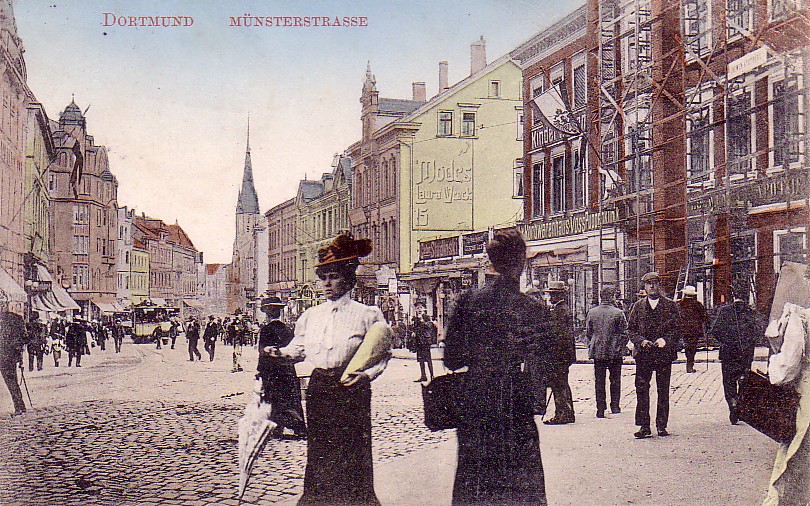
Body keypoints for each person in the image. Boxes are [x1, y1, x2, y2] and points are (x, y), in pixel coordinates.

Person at [273, 233, 391, 505]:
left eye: (333, 277)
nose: (327, 283)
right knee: (320, 450)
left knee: (353, 451)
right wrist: (279, 353)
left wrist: (366, 375)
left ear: (347, 280)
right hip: (320, 388)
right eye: (323, 277)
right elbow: (298, 349)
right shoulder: (311, 316)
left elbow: (382, 355)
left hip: (351, 388)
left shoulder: (367, 315)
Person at [443, 228, 550, 504]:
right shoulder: (533, 309)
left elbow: (451, 359)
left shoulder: (469, 302)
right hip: (516, 403)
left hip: (476, 402)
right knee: (520, 483)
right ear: (522, 263)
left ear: (492, 262)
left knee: (474, 480)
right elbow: (544, 363)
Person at [764, 302, 810, 505]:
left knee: (796, 456)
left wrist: (774, 357)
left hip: (807, 398)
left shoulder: (800, 318)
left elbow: (787, 368)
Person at [627, 271, 679, 438]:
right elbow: (631, 329)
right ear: (644, 287)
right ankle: (644, 426)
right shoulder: (638, 306)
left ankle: (661, 425)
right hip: (644, 355)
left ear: (659, 286)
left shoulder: (670, 306)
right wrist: (641, 341)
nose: (652, 286)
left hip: (663, 354)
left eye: (655, 283)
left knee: (663, 390)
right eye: (649, 284)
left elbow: (677, 329)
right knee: (642, 389)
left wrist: (665, 340)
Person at [709, 283, 764, 425]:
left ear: (733, 295)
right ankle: (740, 403)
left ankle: (733, 403)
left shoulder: (725, 311)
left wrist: (726, 342)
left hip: (728, 353)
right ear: (746, 295)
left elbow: (715, 330)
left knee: (728, 381)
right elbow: (759, 331)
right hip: (745, 353)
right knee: (744, 379)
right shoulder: (751, 312)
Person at [257, 296, 306, 438]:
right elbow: (293, 350)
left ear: (267, 313)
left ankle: (276, 427)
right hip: (287, 370)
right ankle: (299, 427)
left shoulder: (266, 330)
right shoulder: (287, 329)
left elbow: (262, 352)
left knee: (273, 398)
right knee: (291, 398)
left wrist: (260, 371)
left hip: (272, 371)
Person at [586, 286, 628, 418]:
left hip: (598, 351)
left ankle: (600, 408)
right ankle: (615, 406)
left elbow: (588, 332)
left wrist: (593, 342)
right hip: (614, 352)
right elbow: (625, 333)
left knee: (599, 380)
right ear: (612, 297)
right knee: (615, 380)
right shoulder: (618, 313)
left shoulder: (592, 312)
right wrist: (620, 346)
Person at [542, 280, 576, 425]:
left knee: (558, 384)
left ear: (559, 295)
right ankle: (568, 413)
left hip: (559, 354)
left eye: (553, 295)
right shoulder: (562, 309)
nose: (550, 297)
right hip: (563, 354)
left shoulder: (560, 311)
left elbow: (560, 335)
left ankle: (561, 414)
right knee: (562, 383)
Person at [0, 293, 27, 415]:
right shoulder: (17, 319)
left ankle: (19, 406)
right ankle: (20, 406)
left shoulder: (16, 319)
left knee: (11, 381)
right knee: (11, 382)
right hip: (9, 354)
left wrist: (17, 349)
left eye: (2, 303)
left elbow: (24, 337)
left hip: (7, 355)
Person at [679, 285, 707, 373]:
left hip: (684, 329)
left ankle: (689, 363)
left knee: (687, 346)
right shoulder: (697, 304)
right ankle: (690, 364)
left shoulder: (680, 304)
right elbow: (704, 317)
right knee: (693, 347)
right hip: (695, 330)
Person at [412, 308, 435, 382]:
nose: (419, 310)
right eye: (417, 308)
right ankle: (423, 376)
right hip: (419, 342)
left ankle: (432, 375)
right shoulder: (417, 320)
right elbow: (415, 328)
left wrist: (422, 320)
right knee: (421, 360)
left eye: (420, 308)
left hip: (425, 342)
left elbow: (429, 326)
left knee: (428, 359)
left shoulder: (427, 320)